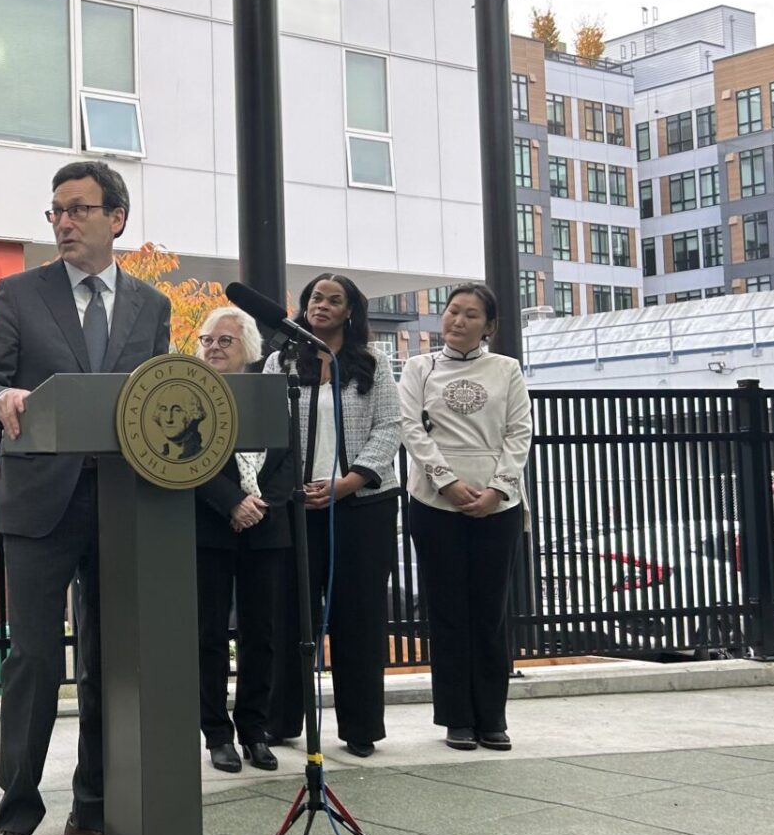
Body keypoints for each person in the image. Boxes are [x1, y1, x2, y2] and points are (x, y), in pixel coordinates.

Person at [0, 159, 171, 835]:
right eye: (55, 211)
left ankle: (92, 810)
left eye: (79, 210)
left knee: (108, 665)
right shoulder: (19, 294)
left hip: (123, 504)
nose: (64, 223)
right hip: (38, 504)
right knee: (33, 662)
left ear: (116, 218)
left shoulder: (151, 306)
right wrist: (1, 401)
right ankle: (16, 822)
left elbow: (159, 398)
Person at [265, 273, 402, 757]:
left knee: (359, 617)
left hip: (361, 506)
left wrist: (346, 483)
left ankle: (360, 728)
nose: (321, 305)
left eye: (333, 300)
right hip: (297, 506)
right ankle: (281, 721)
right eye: (314, 298)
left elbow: (389, 428)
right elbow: (266, 432)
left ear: (350, 312)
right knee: (290, 617)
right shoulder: (280, 362)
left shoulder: (372, 363)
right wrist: (290, 488)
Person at [397, 283, 532, 752]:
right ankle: (456, 718)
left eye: (471, 315)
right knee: (448, 611)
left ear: (488, 326)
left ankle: (492, 716)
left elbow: (519, 433)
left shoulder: (507, 369)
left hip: (500, 507)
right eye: (453, 312)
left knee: (490, 612)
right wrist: (446, 481)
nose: (458, 321)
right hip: (436, 505)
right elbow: (410, 429)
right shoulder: (418, 367)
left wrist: (498, 490)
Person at [193, 306, 297, 773]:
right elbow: (186, 458)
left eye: (224, 341)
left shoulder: (270, 394)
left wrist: (260, 507)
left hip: (266, 528)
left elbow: (287, 458)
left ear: (249, 349)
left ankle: (254, 729)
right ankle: (217, 734)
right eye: (207, 340)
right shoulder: (191, 393)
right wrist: (232, 502)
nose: (213, 347)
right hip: (211, 527)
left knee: (262, 636)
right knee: (209, 635)